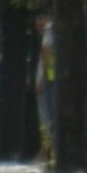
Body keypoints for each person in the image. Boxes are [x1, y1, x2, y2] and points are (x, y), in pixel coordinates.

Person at [34, 13, 55, 162]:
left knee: (46, 114)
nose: (37, 28)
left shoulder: (50, 31)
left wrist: (45, 78)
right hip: (50, 78)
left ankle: (45, 151)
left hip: (47, 80)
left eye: (39, 23)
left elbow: (47, 53)